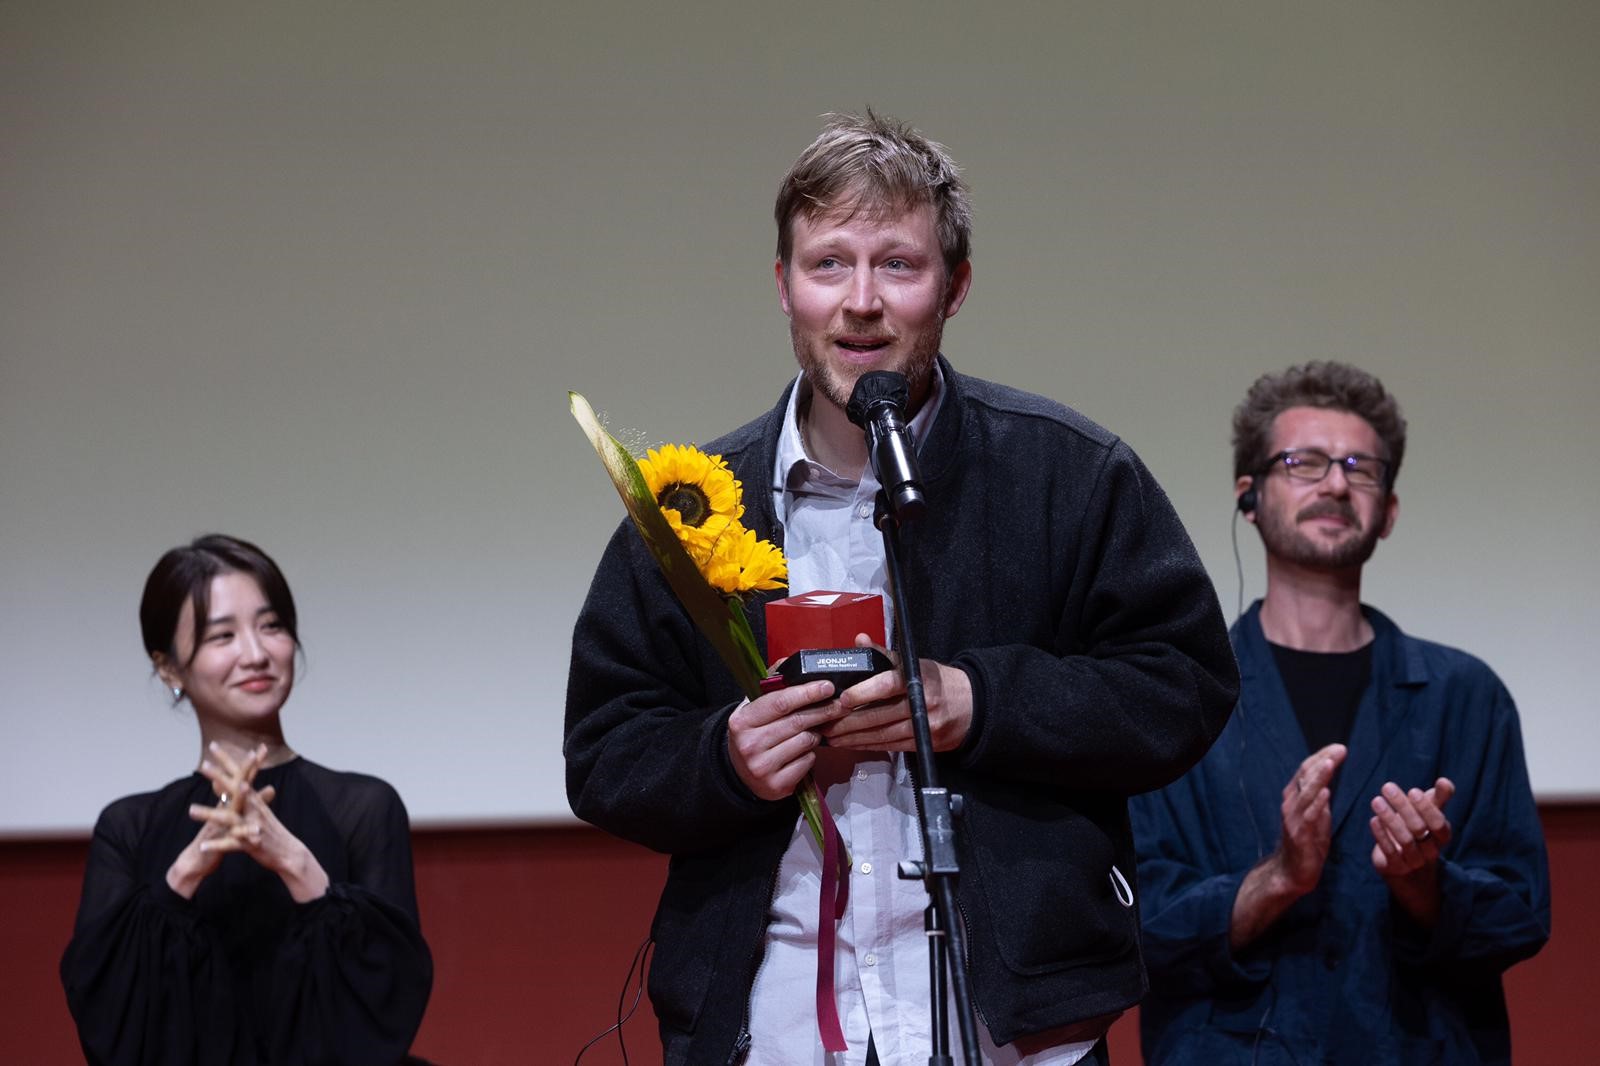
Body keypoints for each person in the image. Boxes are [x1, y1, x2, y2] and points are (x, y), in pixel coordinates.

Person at [565, 112, 1238, 1065]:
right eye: (829, 264)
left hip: (1013, 1035)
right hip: (776, 1027)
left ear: (955, 288)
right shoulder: (688, 509)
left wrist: (979, 701)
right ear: (783, 288)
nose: (862, 302)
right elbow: (602, 752)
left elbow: (1186, 685)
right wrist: (725, 759)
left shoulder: (1068, 472)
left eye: (900, 265)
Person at [1129, 362, 1551, 1064]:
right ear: (1249, 498)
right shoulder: (1177, 694)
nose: (1334, 483)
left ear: (1387, 511)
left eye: (1360, 469)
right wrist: (1280, 878)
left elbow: (1520, 918)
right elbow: (1138, 926)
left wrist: (1423, 881)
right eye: (1304, 463)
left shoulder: (1466, 696)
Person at [61, 534, 433, 1066]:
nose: (256, 654)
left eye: (271, 626)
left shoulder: (364, 807)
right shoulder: (129, 827)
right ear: (169, 668)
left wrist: (296, 863)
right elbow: (110, 1024)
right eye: (222, 636)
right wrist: (185, 871)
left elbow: (386, 1007)